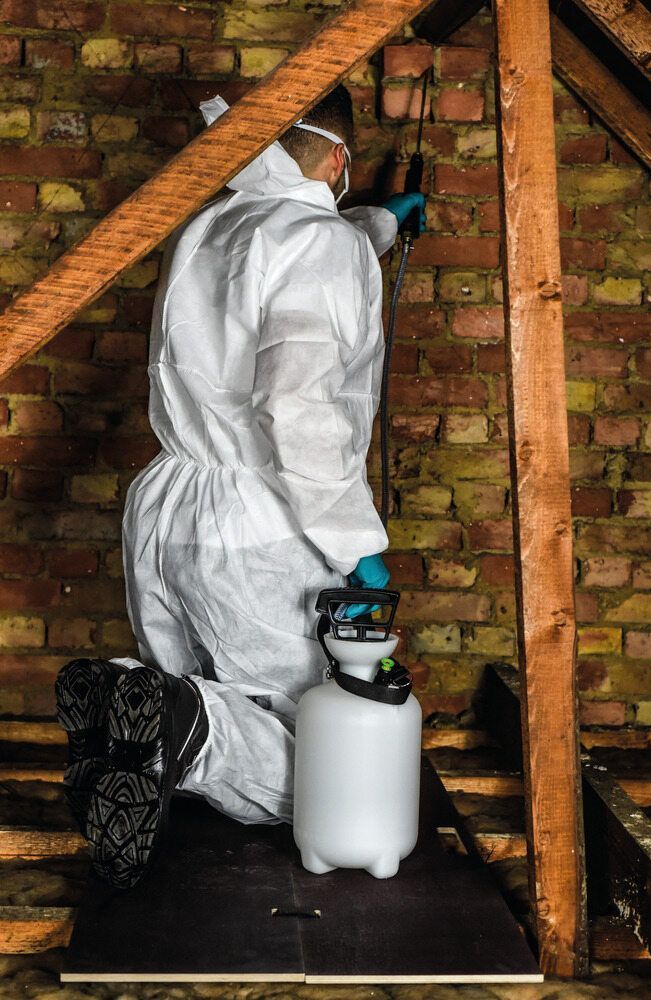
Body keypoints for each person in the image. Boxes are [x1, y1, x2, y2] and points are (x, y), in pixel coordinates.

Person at [55, 85, 426, 889]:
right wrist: (358, 546)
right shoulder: (322, 244)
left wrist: (384, 221)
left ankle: (135, 705)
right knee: (319, 777)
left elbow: (309, 246)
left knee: (206, 692)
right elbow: (297, 409)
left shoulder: (209, 227)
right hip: (262, 528)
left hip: (169, 510)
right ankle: (179, 728)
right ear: (338, 160)